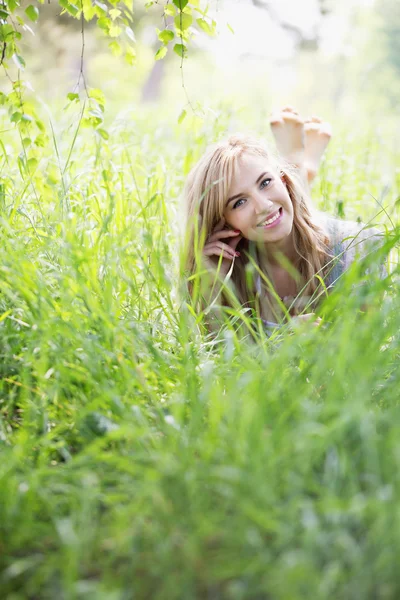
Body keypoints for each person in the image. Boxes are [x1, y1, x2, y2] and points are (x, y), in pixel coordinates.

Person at [182, 106, 385, 330]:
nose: (263, 206)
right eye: (239, 202)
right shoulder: (231, 273)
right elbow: (219, 357)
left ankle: (297, 162)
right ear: (223, 222)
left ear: (284, 181)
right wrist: (212, 286)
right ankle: (300, 164)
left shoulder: (360, 248)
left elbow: (370, 350)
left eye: (265, 182)